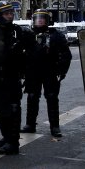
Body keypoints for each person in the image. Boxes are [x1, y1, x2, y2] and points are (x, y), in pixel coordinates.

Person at [0, 1, 34, 155]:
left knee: (14, 109)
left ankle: (13, 142)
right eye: (6, 13)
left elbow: (31, 55)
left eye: (11, 13)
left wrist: (28, 73)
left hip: (13, 76)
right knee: (0, 109)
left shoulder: (20, 32)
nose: (10, 16)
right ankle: (7, 136)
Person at [20, 9, 72, 137]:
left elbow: (66, 55)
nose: (40, 20)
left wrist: (61, 71)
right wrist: (22, 71)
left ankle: (55, 126)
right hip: (33, 72)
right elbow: (20, 54)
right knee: (32, 97)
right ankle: (30, 124)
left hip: (50, 71)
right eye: (37, 18)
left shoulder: (56, 35)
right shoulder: (29, 35)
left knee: (52, 98)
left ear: (48, 20)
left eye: (43, 18)